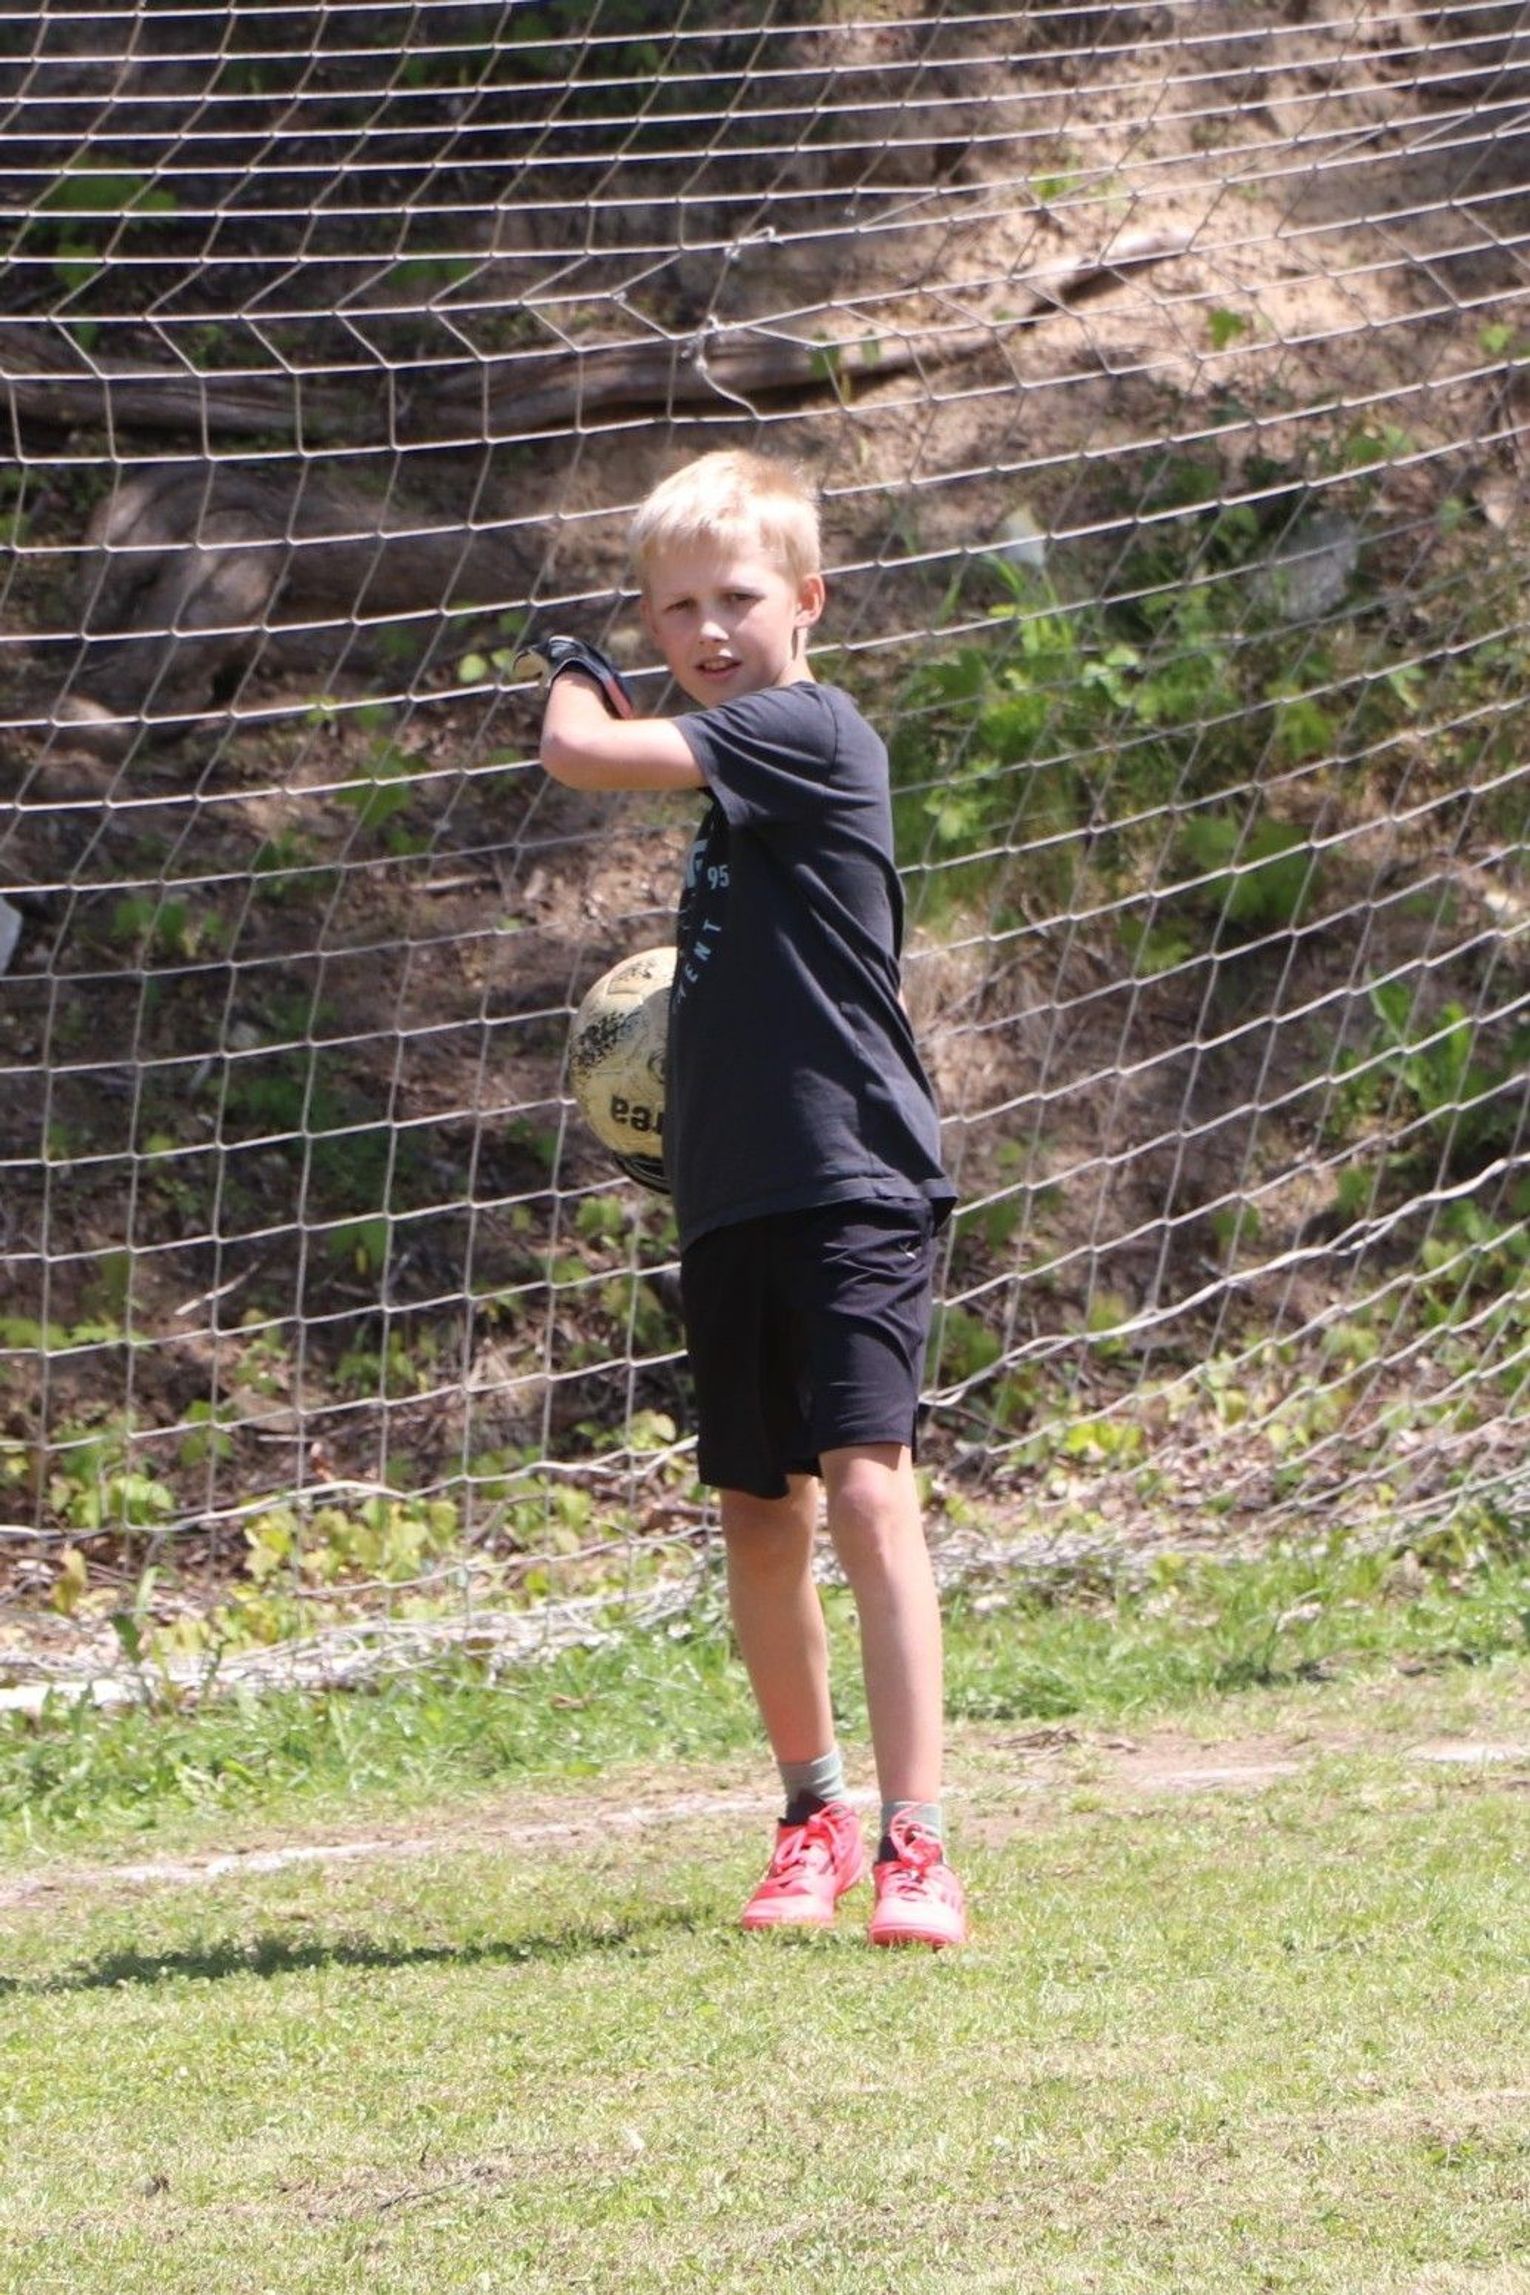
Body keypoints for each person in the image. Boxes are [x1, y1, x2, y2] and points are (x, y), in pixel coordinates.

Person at [538, 449, 966, 1948]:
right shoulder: (735, 793)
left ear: (808, 601)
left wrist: (574, 671)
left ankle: (916, 1841)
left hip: (853, 1172)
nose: (707, 631)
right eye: (674, 610)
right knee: (757, 1513)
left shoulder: (808, 730)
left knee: (866, 1487)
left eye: (735, 598)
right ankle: (812, 1817)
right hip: (730, 1195)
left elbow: (580, 754)